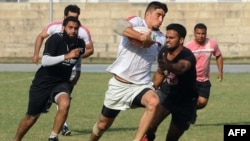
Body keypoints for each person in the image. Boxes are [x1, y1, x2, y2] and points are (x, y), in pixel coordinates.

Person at [89, 1, 168, 141]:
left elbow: (161, 58)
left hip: (140, 86)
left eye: (163, 17)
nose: (161, 20)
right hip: (119, 85)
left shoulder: (160, 37)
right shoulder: (136, 21)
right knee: (102, 125)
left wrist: (149, 39)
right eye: (158, 15)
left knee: (154, 101)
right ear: (148, 14)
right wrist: (139, 36)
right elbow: (118, 26)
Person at [13, 16, 85, 141]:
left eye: (76, 28)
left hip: (62, 82)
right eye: (70, 28)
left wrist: (78, 72)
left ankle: (53, 137)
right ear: (63, 28)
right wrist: (66, 56)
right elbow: (45, 61)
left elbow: (78, 58)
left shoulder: (80, 43)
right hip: (43, 82)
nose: (73, 31)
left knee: (65, 103)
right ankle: (16, 139)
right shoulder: (55, 39)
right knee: (31, 118)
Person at [32, 4, 94, 135]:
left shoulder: (82, 31)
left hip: (70, 68)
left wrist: (76, 66)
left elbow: (88, 49)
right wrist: (36, 53)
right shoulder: (54, 27)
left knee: (65, 98)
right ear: (65, 17)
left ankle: (62, 126)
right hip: (51, 68)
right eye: (70, 18)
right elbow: (40, 36)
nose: (73, 27)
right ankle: (50, 102)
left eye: (76, 18)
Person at [142, 23, 198, 141]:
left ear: (181, 40)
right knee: (149, 126)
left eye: (171, 38)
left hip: (185, 101)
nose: (168, 40)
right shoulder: (163, 52)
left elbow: (182, 67)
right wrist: (150, 89)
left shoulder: (188, 55)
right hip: (167, 94)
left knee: (171, 138)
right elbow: (160, 73)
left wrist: (169, 66)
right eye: (167, 37)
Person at [185, 23, 223, 122]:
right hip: (191, 80)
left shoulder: (212, 44)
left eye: (203, 33)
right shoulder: (188, 47)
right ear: (194, 33)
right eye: (198, 33)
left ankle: (190, 110)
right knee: (189, 99)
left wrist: (220, 71)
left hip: (204, 79)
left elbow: (218, 56)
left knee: (203, 102)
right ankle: (188, 112)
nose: (201, 36)